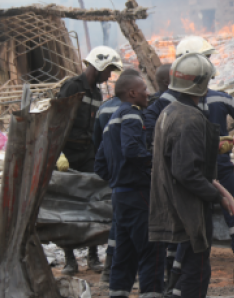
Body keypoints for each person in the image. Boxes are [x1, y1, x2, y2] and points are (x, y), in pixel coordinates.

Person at [149, 53, 233, 298]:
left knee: (187, 267)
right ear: (202, 83)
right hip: (188, 208)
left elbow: (179, 155)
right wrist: (217, 196)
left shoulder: (169, 112)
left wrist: (211, 144)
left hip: (173, 203)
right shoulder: (191, 118)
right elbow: (187, 171)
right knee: (196, 273)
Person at [94, 74, 165, 297]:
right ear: (132, 93)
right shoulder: (132, 115)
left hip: (120, 197)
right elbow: (132, 150)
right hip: (138, 194)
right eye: (144, 88)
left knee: (123, 254)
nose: (148, 93)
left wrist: (119, 176)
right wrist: (157, 165)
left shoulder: (110, 122)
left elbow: (100, 165)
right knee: (151, 251)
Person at [56, 45, 123, 276]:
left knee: (93, 201)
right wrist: (58, 153)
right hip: (68, 153)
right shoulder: (72, 87)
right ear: (99, 66)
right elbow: (58, 120)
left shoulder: (96, 94)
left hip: (88, 153)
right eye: (109, 70)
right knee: (66, 206)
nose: (110, 76)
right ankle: (69, 258)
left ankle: (93, 255)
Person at [91, 67, 141, 283]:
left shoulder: (104, 109)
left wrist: (108, 172)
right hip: (134, 179)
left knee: (119, 222)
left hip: (115, 176)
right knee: (137, 227)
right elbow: (136, 147)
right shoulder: (133, 110)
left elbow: (97, 142)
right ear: (132, 89)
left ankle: (108, 269)